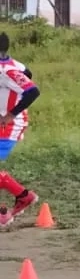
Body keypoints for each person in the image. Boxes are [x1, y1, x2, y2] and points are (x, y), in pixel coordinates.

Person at [0, 33, 40, 228]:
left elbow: (33, 91)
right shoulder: (15, 65)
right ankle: (24, 196)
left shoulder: (6, 70)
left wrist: (10, 114)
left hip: (7, 126)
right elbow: (28, 72)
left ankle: (4, 212)